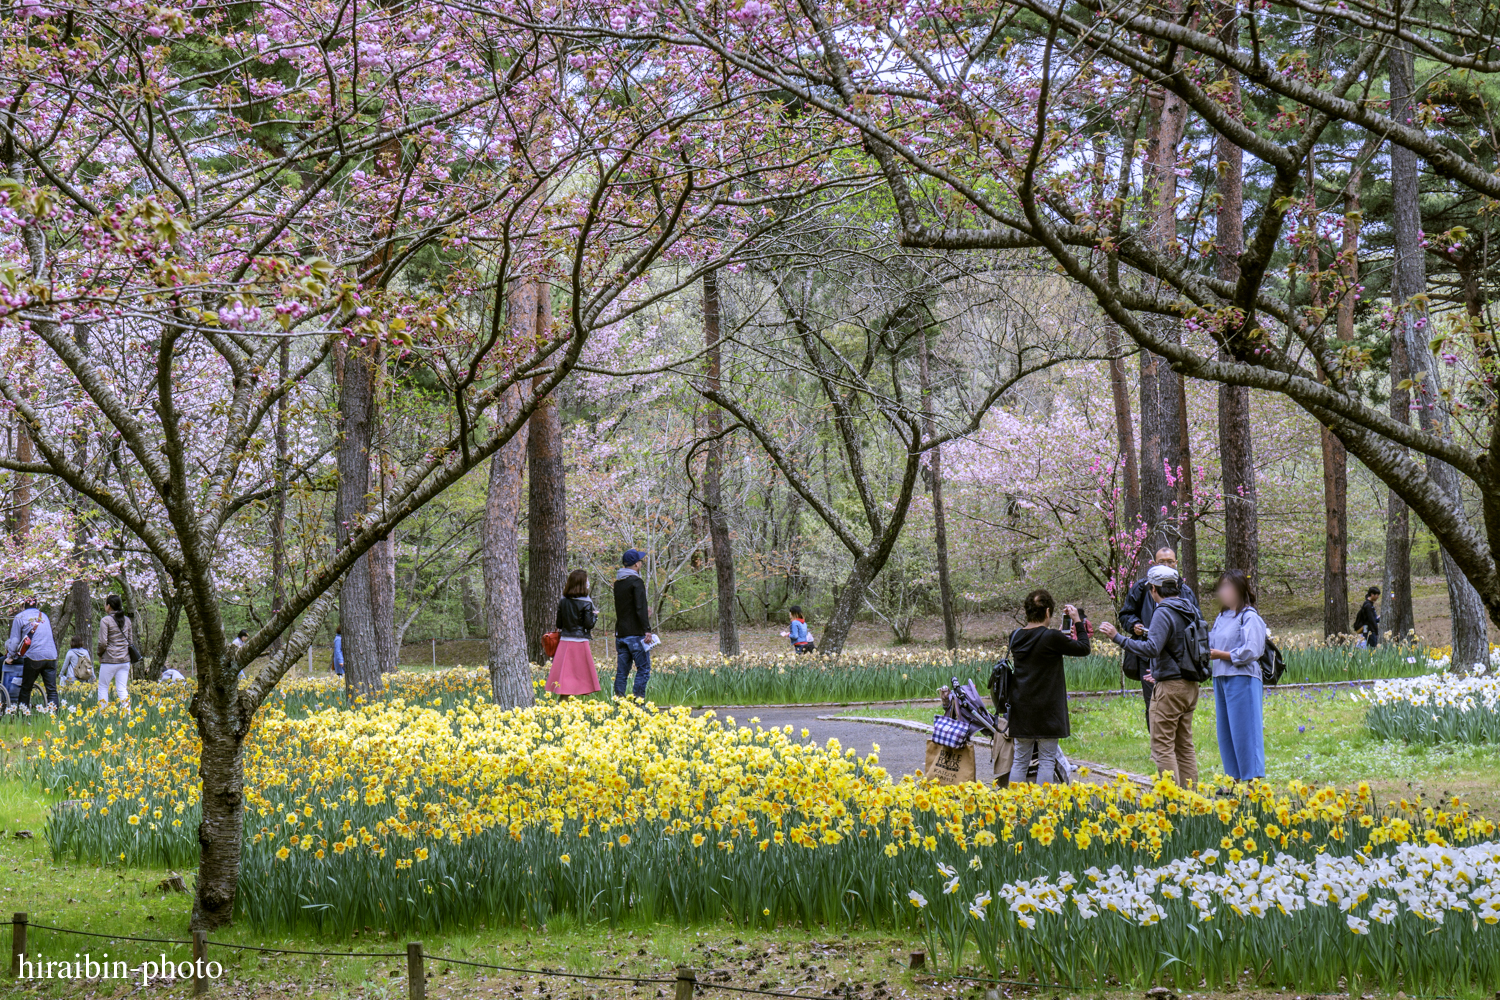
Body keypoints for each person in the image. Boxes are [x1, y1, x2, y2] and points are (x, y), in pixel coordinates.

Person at [1099, 564, 1201, 787]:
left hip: (1171, 689)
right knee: (1184, 746)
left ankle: (1172, 801)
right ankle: (1193, 801)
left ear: (1154, 589)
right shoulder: (1189, 608)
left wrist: (1118, 638)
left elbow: (1152, 648)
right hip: (1190, 684)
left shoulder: (1164, 611)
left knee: (1162, 746)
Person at [1006, 589, 1091, 785]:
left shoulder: (1015, 636)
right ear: (1047, 612)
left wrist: (1060, 636)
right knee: (1046, 760)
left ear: (1027, 612)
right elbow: (1084, 648)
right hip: (1047, 709)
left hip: (1021, 708)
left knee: (1020, 760)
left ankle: (1013, 805)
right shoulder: (1052, 637)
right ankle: (1043, 807)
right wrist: (1077, 621)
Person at [1118, 547, 1198, 726]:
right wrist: (1134, 625)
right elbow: (1125, 614)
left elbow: (1197, 621)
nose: (1167, 565)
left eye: (1170, 561)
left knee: (1179, 709)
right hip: (1148, 656)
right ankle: (1158, 747)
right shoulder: (1143, 587)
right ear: (1154, 564)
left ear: (1177, 563)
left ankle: (1171, 749)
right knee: (1153, 704)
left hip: (1179, 659)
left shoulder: (1185, 591)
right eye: (1162, 562)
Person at [1209, 569, 1268, 782]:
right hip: (1221, 677)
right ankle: (1232, 778)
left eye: (1228, 587)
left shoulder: (1249, 616)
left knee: (1245, 730)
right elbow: (1211, 643)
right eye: (1221, 587)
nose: (1224, 591)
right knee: (1226, 731)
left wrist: (1220, 655)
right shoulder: (1221, 617)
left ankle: (1252, 781)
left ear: (1240, 589)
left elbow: (1253, 650)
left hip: (1242, 678)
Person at [547, 569, 601, 697]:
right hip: (580, 642)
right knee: (580, 675)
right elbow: (589, 625)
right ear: (583, 583)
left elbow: (559, 624)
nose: (588, 582)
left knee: (565, 676)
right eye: (586, 580)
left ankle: (563, 703)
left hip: (565, 642)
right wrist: (595, 616)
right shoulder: (587, 602)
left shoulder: (563, 601)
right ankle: (574, 707)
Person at [613, 548, 655, 698]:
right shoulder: (636, 582)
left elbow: (626, 608)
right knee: (643, 669)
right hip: (636, 634)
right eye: (640, 561)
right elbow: (640, 608)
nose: (641, 563)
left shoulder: (618, 584)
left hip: (621, 633)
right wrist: (647, 629)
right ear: (636, 564)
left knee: (622, 671)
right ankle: (638, 702)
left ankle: (619, 702)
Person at [8, 596, 59, 711]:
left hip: (34, 656)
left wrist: (10, 656)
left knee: (26, 688)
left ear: (22, 605)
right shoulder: (44, 616)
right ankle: (54, 717)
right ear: (37, 604)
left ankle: (23, 716)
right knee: (51, 690)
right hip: (51, 655)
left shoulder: (20, 617)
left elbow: (15, 641)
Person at [96, 594, 134, 708]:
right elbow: (130, 641)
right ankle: (127, 714)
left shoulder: (105, 620)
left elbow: (103, 642)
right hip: (124, 660)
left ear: (109, 606)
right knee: (122, 689)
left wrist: (99, 654)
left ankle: (103, 714)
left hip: (109, 659)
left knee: (103, 687)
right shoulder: (127, 620)